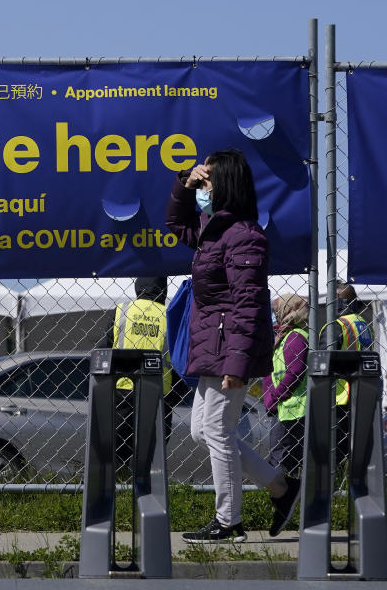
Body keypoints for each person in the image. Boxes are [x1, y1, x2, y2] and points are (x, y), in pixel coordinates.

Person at [166, 148, 300, 544]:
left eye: (206, 180)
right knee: (200, 431)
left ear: (225, 184)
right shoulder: (213, 230)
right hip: (214, 345)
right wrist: (182, 184)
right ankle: (281, 487)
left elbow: (247, 306)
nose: (201, 186)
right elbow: (175, 223)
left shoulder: (244, 236)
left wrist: (237, 364)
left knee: (218, 431)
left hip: (231, 350)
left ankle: (229, 521)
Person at [96, 276, 174, 471]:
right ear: (163, 290)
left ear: (138, 288)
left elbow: (105, 346)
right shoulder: (170, 315)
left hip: (123, 390)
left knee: (117, 452)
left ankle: (119, 486)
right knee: (152, 454)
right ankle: (146, 488)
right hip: (158, 393)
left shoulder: (122, 310)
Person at [321, 281, 374, 466]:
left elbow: (321, 364)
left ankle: (333, 489)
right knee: (355, 450)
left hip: (339, 395)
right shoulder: (363, 324)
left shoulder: (337, 326)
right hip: (362, 392)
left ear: (339, 303)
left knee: (333, 452)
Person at [262, 294, 309, 476]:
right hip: (286, 407)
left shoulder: (295, 337)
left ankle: (283, 499)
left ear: (288, 311)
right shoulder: (286, 335)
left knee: (279, 462)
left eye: (276, 310)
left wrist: (274, 396)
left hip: (292, 409)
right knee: (284, 461)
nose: (274, 315)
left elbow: (294, 372)